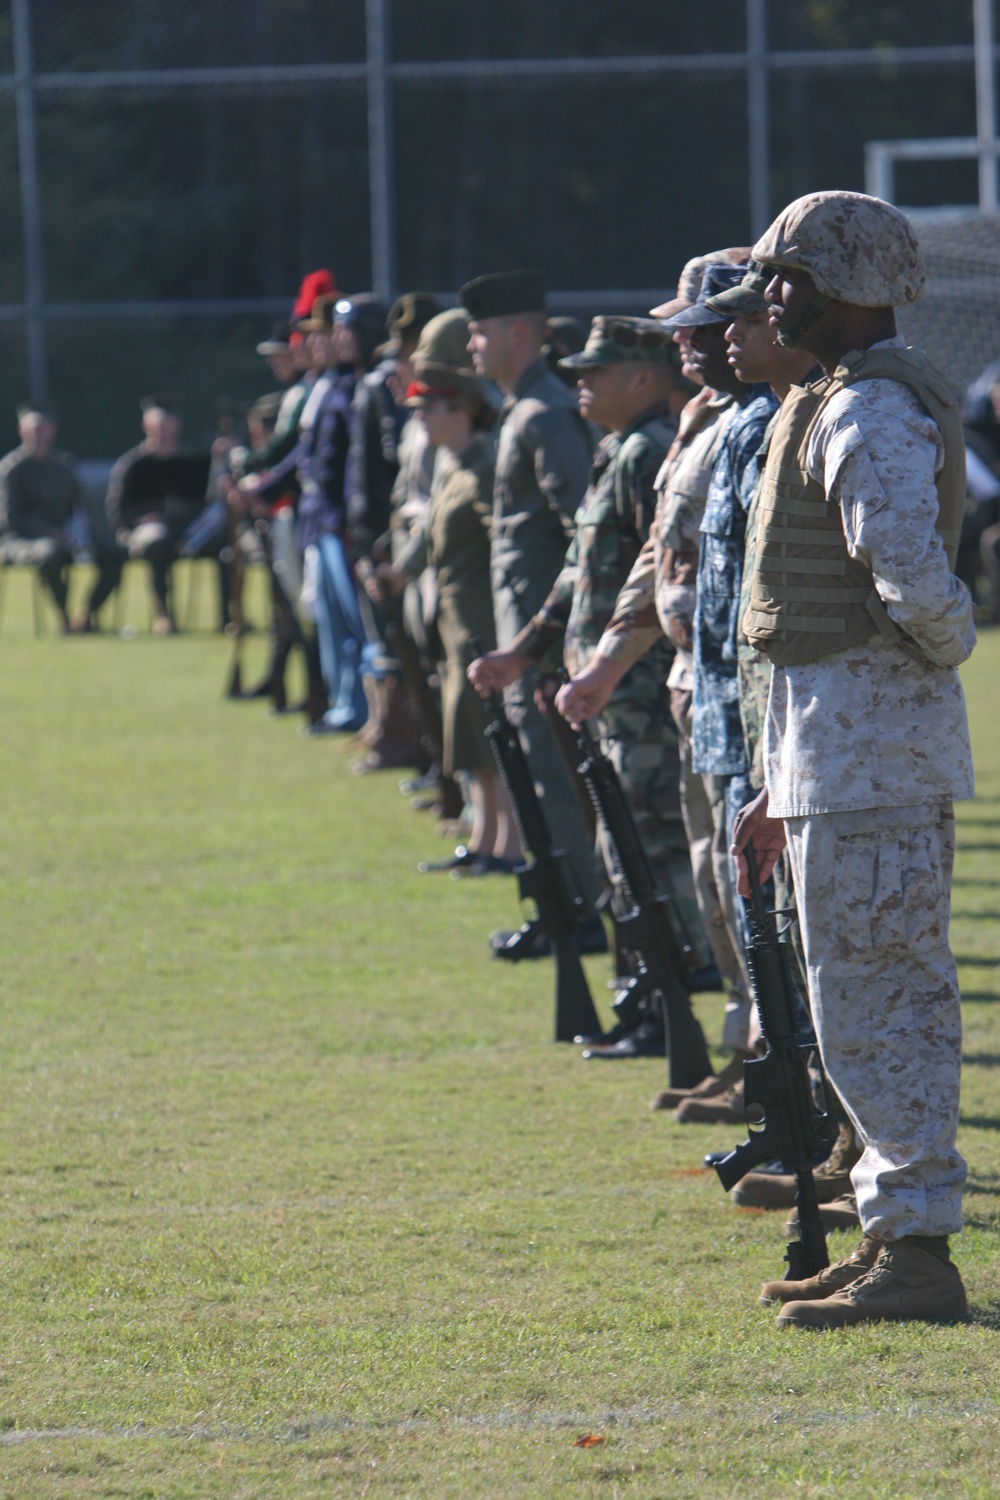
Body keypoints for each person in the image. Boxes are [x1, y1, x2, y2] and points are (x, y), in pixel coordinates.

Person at [731, 190, 973, 1328]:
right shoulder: (833, 403)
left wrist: (949, 641)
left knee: (884, 1006)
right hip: (841, 759)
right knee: (855, 1007)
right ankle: (890, 1232)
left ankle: (915, 1252)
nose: (771, 300)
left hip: (876, 760)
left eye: (788, 280)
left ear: (843, 290)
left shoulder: (869, 414)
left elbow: (912, 580)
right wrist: (779, 785)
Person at [471, 314, 713, 1056]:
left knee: (652, 850)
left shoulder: (646, 457)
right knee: (622, 847)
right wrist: (525, 652)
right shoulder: (616, 452)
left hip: (636, 697)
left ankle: (672, 996)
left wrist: (601, 669)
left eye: (594, 372)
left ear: (641, 380)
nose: (579, 382)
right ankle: (648, 999)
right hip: (608, 696)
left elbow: (658, 579)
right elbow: (580, 578)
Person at [460, 269, 604, 954]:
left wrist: (546, 640)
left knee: (556, 782)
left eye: (480, 332)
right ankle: (563, 908)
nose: (472, 347)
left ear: (520, 333)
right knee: (541, 783)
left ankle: (581, 916)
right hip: (528, 641)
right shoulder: (524, 410)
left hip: (543, 648)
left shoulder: (544, 414)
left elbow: (584, 532)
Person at [373, 309, 518, 873]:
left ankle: (507, 846)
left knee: (488, 737)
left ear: (462, 408)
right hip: (456, 621)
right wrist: (401, 570)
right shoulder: (456, 465)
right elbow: (434, 535)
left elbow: (503, 541)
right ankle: (484, 838)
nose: (422, 418)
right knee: (466, 734)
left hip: (480, 619)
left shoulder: (481, 466)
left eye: (430, 406)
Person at [103, 397, 211, 634]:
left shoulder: (189, 463)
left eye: (168, 425)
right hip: (147, 533)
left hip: (185, 531)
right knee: (157, 542)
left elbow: (202, 505)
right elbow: (118, 510)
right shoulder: (133, 464)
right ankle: (164, 614)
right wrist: (142, 520)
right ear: (147, 427)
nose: (163, 432)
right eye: (158, 426)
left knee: (225, 545)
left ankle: (228, 618)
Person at [0, 403, 82, 633]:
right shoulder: (11, 469)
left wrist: (78, 533)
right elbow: (10, 518)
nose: (38, 434)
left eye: (43, 428)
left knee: (111, 553)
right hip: (20, 540)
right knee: (49, 553)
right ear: (22, 430)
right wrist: (47, 531)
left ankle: (87, 616)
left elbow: (78, 506)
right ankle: (63, 616)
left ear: (52, 430)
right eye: (33, 428)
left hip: (64, 536)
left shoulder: (63, 465)